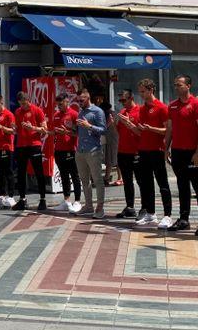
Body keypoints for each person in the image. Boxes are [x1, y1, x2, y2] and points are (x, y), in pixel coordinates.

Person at [165, 75, 198, 234]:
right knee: (182, 186)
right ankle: (184, 219)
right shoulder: (172, 106)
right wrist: (166, 149)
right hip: (178, 152)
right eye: (175, 85)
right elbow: (170, 128)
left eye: (180, 85)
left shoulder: (197, 105)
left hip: (194, 152)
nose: (176, 87)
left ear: (189, 86)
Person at [133, 79, 172, 226]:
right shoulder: (142, 109)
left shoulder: (161, 107)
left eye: (143, 91)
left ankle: (167, 215)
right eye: (140, 91)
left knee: (162, 183)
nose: (141, 94)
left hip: (157, 150)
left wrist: (151, 129)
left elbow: (167, 130)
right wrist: (131, 126)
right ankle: (151, 213)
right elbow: (141, 131)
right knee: (146, 183)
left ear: (151, 90)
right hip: (144, 150)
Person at [73, 89, 107, 218]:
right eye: (78, 100)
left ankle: (100, 207)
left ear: (88, 98)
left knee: (97, 179)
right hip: (80, 150)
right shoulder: (80, 111)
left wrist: (89, 126)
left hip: (93, 151)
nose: (79, 102)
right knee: (84, 180)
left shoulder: (97, 111)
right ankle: (88, 205)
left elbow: (103, 130)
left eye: (81, 100)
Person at [12, 91, 48, 212]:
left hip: (34, 145)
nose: (23, 106)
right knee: (21, 173)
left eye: (25, 103)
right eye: (21, 104)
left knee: (39, 172)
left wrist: (33, 128)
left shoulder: (37, 110)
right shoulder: (17, 112)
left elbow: (45, 130)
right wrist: (14, 128)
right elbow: (16, 130)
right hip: (21, 145)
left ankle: (42, 199)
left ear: (28, 100)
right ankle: (22, 199)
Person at [50, 93, 81, 213]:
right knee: (63, 176)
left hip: (71, 150)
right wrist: (45, 131)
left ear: (67, 102)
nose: (59, 107)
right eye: (57, 104)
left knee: (74, 175)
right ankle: (66, 200)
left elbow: (78, 133)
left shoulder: (74, 114)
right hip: (59, 150)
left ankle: (77, 201)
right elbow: (53, 132)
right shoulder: (56, 115)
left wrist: (66, 132)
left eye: (61, 104)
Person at [112, 89, 141, 219]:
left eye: (124, 100)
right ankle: (130, 207)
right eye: (120, 101)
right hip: (122, 151)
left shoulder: (139, 111)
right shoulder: (123, 112)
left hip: (135, 152)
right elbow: (119, 132)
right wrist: (113, 123)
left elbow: (141, 133)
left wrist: (129, 124)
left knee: (141, 181)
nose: (122, 103)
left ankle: (146, 208)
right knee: (127, 181)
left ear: (131, 98)